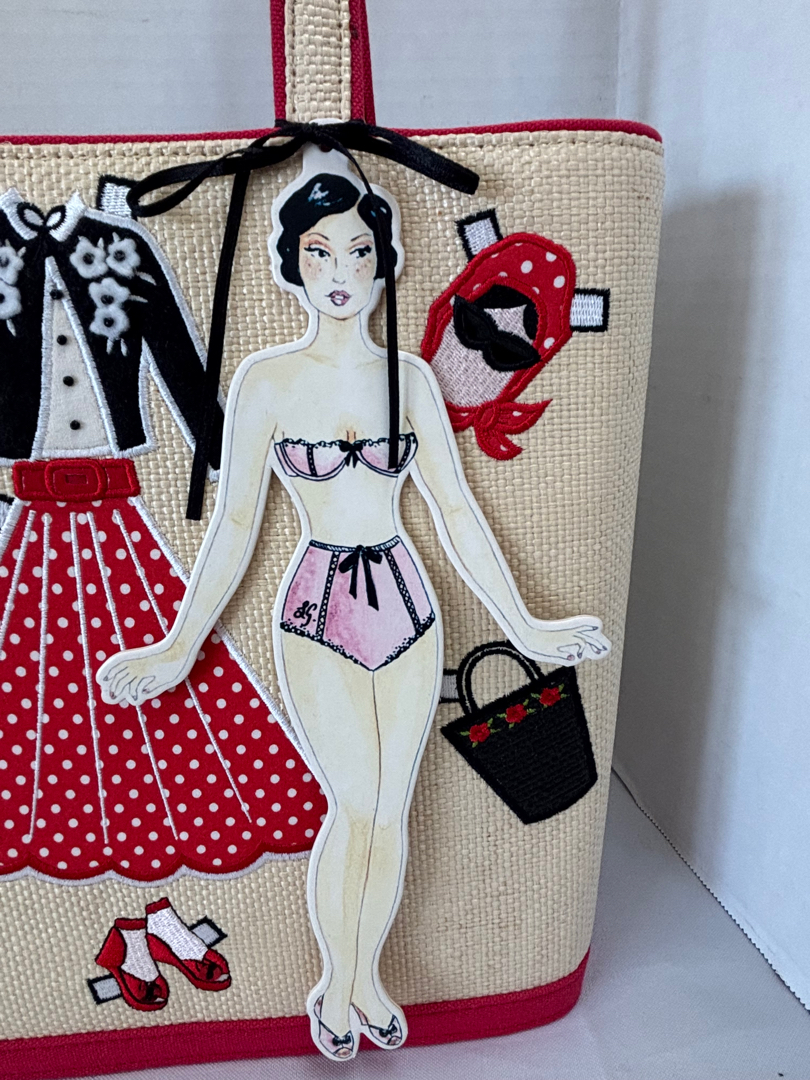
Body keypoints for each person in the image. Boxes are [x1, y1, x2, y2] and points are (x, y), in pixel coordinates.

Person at [98, 148, 609, 1060]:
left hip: (408, 604)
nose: (341, 272)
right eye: (321, 252)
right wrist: (180, 643)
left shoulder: (410, 379)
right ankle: (339, 982)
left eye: (360, 252)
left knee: (389, 807)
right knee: (354, 804)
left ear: (384, 264)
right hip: (316, 608)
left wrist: (525, 624)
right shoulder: (267, 383)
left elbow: (455, 511)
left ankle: (363, 979)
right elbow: (236, 523)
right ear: (294, 263)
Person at [0, 184, 323, 890]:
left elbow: (178, 355)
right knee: (30, 669)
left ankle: (173, 816)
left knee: (152, 651)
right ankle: (44, 822)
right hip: (29, 514)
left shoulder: (119, 246)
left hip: (116, 512)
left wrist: (227, 459)